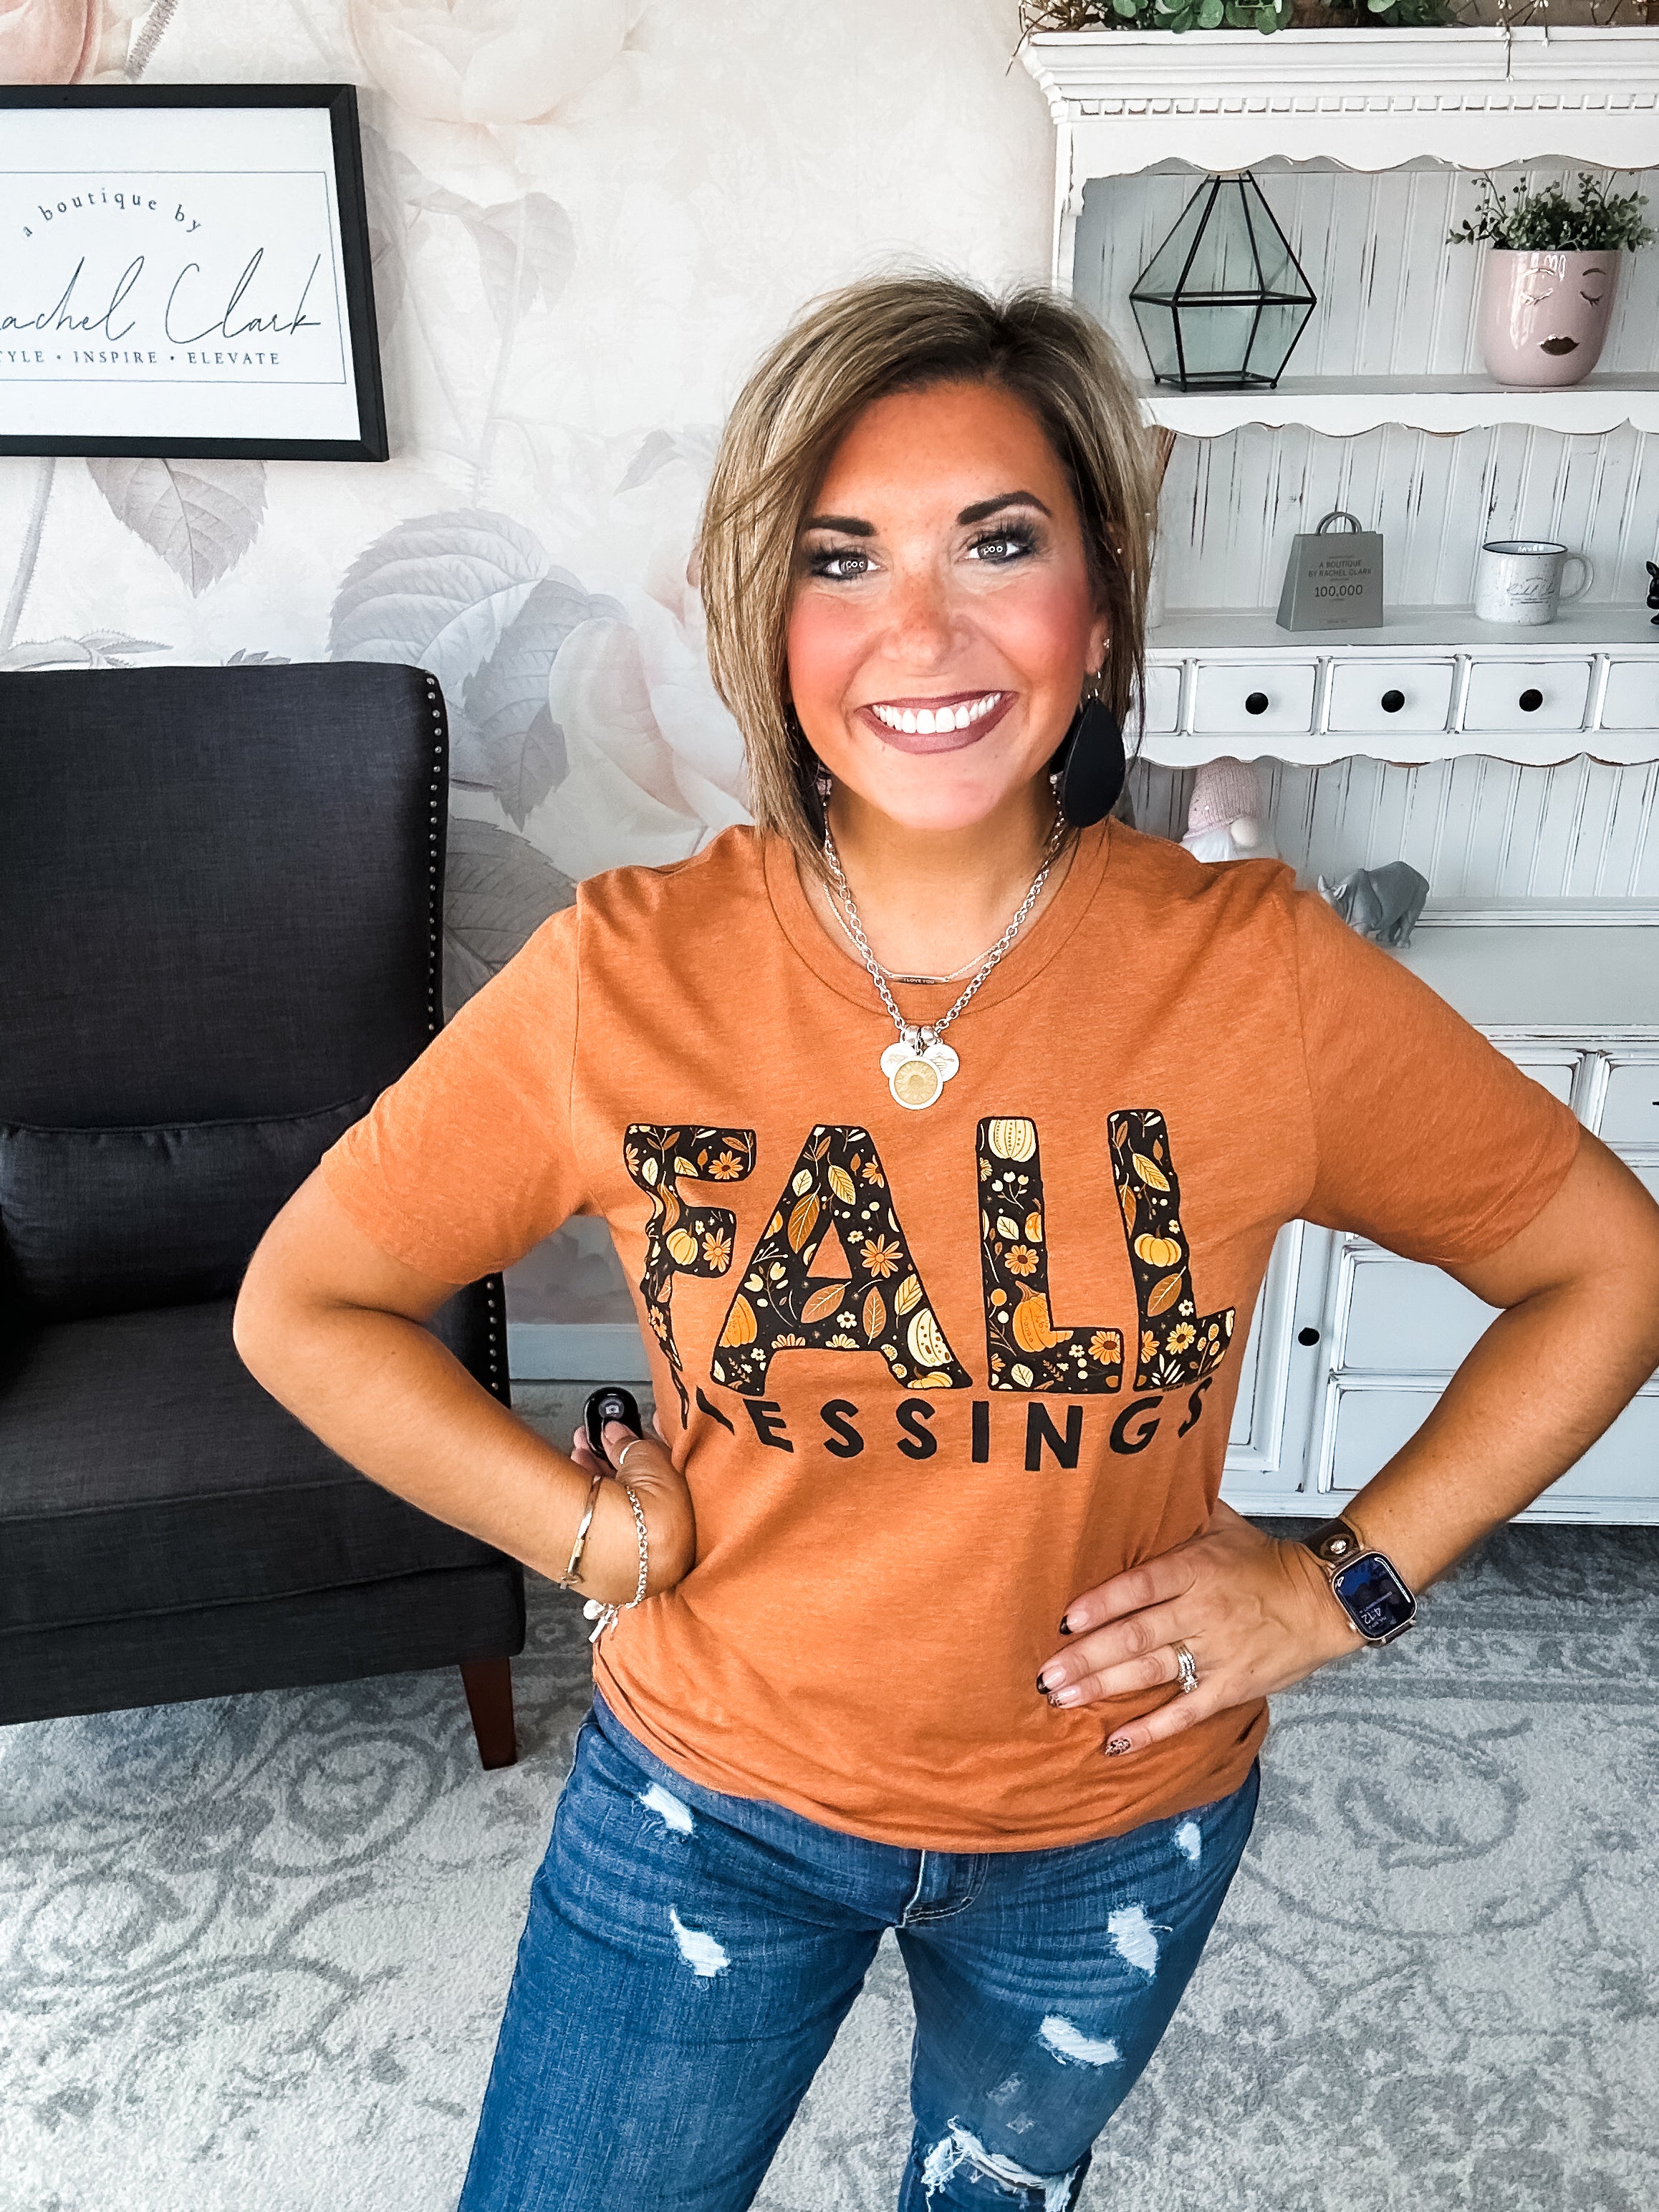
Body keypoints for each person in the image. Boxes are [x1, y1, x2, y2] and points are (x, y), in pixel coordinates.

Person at [234, 274, 1659, 2212]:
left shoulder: (1258, 978)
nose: (921, 631)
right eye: (842, 560)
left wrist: (1344, 1591)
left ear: (1101, 604)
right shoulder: (623, 976)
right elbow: (307, 1304)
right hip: (705, 1803)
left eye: (999, 543)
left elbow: (1605, 1266)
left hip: (1111, 1826)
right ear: (770, 620)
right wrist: (586, 1539)